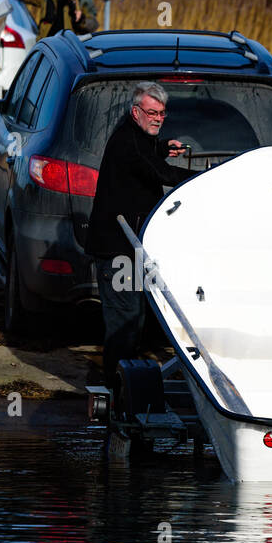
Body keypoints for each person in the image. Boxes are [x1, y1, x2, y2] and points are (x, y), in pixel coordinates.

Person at [85, 82, 190, 386]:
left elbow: (147, 151)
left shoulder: (138, 137)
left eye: (161, 113)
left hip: (130, 247)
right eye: (151, 112)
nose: (157, 118)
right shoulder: (127, 143)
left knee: (135, 318)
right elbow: (160, 173)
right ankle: (115, 391)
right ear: (135, 112)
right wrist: (207, 178)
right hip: (116, 249)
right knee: (125, 321)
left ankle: (123, 385)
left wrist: (163, 146)